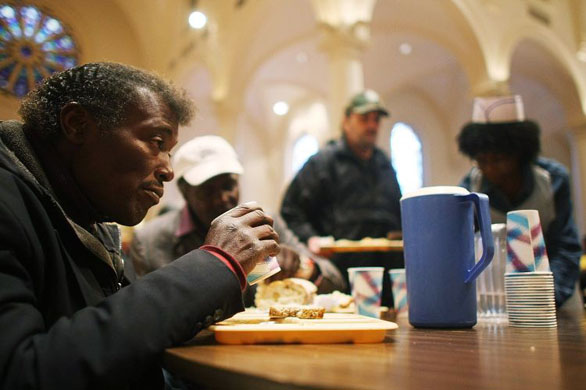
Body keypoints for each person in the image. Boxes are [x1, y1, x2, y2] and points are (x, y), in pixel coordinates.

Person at [0, 62, 279, 389]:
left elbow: (128, 342)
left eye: (170, 152)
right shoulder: (9, 203)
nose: (167, 171)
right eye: (156, 142)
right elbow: (19, 374)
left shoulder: (92, 216)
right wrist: (215, 264)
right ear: (77, 125)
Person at [130, 135, 345, 296]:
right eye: (208, 190)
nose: (223, 199)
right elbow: (147, 313)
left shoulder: (264, 224)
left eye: (228, 185)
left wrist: (303, 266)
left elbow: (335, 280)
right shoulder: (151, 241)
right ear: (185, 191)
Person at [280, 90, 403, 306]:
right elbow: (291, 211)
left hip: (385, 279)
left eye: (376, 120)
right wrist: (311, 238)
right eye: (364, 119)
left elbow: (397, 211)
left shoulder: (384, 164)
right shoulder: (322, 163)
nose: (372, 126)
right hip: (340, 278)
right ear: (346, 122)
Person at [457, 95, 581, 308]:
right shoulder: (471, 186)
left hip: (555, 299)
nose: (489, 168)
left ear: (520, 155)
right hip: (497, 303)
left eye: (498, 160)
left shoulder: (553, 180)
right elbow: (465, 248)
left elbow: (566, 246)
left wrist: (549, 296)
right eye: (482, 160)